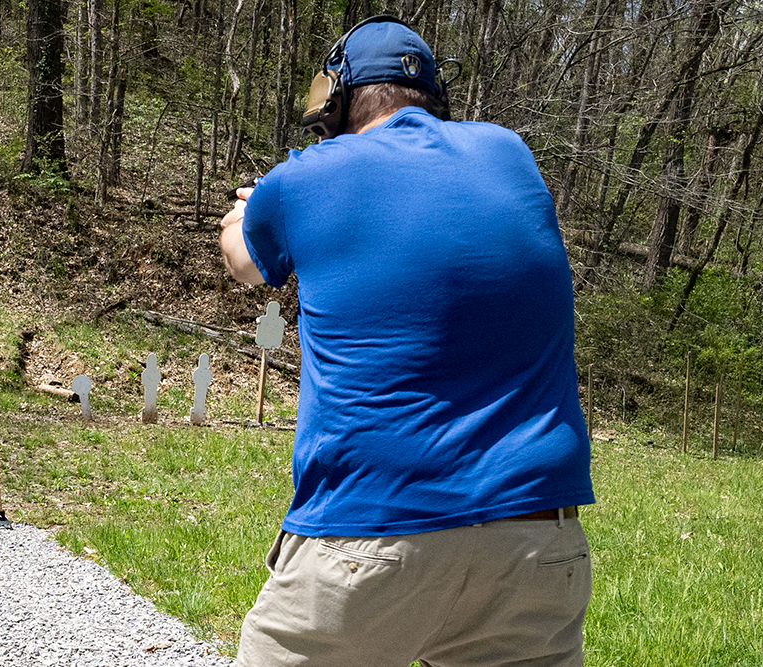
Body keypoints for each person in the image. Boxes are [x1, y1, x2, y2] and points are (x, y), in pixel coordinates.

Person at [218, 16, 595, 667]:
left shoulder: (303, 177)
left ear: (336, 105)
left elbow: (245, 264)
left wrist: (245, 213)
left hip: (371, 531)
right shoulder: (509, 154)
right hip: (537, 534)